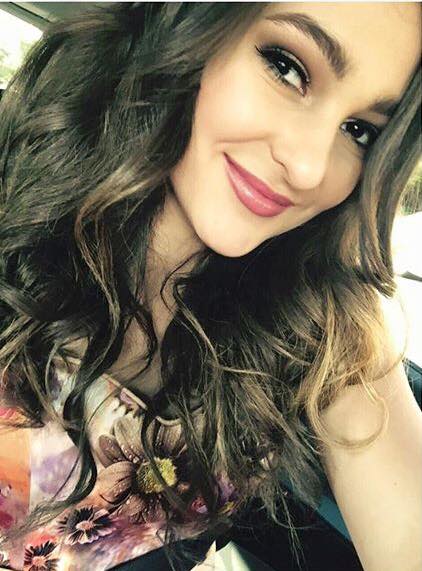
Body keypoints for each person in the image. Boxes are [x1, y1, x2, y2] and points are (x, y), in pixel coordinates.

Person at [0, 2, 420, 570]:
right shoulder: (15, 202)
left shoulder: (324, 320)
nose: (309, 167)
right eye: (286, 67)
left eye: (359, 130)